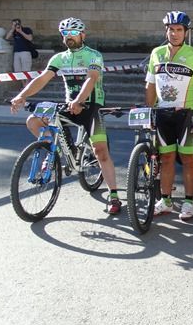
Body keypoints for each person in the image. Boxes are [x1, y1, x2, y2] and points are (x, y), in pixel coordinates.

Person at [9, 18, 121, 214]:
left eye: (73, 33)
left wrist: (79, 100)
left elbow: (91, 79)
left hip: (91, 105)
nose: (69, 37)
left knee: (101, 152)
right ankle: (56, 150)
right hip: (70, 104)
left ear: (82, 35)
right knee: (33, 120)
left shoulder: (93, 55)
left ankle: (114, 195)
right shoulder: (59, 58)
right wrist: (21, 95)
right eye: (65, 34)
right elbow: (42, 79)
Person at [145, 11, 193, 221]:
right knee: (166, 158)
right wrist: (149, 111)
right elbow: (151, 85)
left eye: (179, 30)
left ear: (185, 32)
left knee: (188, 159)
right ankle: (166, 200)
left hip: (185, 114)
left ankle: (189, 202)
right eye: (171, 29)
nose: (174, 33)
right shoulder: (157, 53)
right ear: (166, 30)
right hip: (162, 114)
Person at [5, 18, 35, 83]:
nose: (16, 25)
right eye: (14, 24)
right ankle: (23, 84)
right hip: (16, 52)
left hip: (25, 52)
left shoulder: (26, 29)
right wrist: (12, 29)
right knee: (18, 70)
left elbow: (30, 38)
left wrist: (20, 31)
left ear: (20, 23)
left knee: (26, 69)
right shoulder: (13, 32)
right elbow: (7, 38)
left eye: (16, 24)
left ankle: (27, 84)